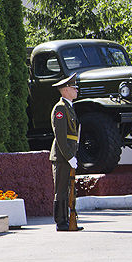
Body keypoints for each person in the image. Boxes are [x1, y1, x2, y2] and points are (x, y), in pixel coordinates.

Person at [50, 74, 81, 231]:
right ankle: (60, 222)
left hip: (68, 155)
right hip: (62, 156)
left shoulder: (68, 107)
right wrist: (69, 156)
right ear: (66, 90)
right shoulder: (61, 108)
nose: (76, 90)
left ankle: (68, 220)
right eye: (74, 88)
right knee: (61, 190)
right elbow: (61, 137)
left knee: (69, 189)